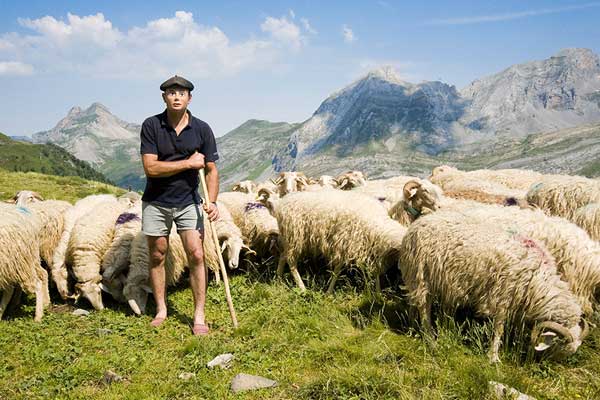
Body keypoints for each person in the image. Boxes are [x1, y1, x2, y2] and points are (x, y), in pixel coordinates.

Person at [139, 75, 220, 336]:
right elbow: (150, 167)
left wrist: (213, 201)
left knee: (196, 254)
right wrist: (187, 163)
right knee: (157, 254)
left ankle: (199, 316)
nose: (176, 97)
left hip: (189, 201)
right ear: (164, 97)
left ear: (189, 98)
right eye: (171, 92)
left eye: (181, 93)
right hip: (156, 201)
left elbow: (211, 169)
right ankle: (161, 309)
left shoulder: (202, 129)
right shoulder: (152, 126)